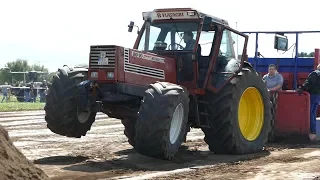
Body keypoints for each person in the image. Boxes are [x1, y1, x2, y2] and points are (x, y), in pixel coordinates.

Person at [297, 64, 320, 141]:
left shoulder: (315, 73)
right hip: (318, 96)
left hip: (313, 95)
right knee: (313, 113)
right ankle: (314, 131)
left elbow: (309, 83)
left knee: (310, 113)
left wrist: (302, 88)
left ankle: (311, 131)